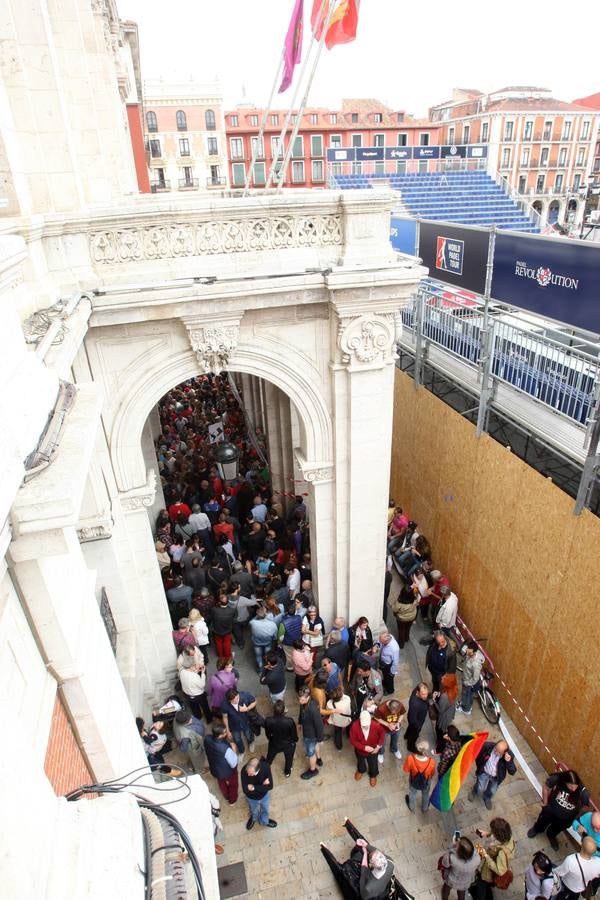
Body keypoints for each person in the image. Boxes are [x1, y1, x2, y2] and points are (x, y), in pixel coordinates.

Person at [320, 818, 397, 900]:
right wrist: (367, 846)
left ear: (371, 865)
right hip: (381, 886)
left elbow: (363, 874)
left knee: (346, 876)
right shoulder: (390, 863)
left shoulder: (368, 888)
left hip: (367, 892)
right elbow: (375, 852)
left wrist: (364, 855)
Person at [527, 769, 590, 852]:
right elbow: (546, 787)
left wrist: (575, 817)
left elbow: (585, 807)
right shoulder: (558, 778)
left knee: (556, 829)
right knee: (542, 822)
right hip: (550, 810)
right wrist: (545, 803)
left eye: (575, 786)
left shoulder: (583, 792)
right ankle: (537, 829)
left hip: (565, 819)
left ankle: (551, 835)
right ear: (565, 781)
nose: (573, 789)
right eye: (570, 786)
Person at [470, 739, 517, 810]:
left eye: (499, 752)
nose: (496, 753)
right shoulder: (487, 746)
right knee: (480, 787)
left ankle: (487, 798)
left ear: (504, 752)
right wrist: (479, 768)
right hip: (484, 772)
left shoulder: (509, 756)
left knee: (492, 790)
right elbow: (477, 756)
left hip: (496, 777)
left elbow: (512, 772)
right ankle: (474, 791)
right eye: (496, 749)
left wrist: (509, 762)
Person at [204, 722, 239, 805]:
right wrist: (234, 748)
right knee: (233, 785)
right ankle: (232, 800)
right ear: (220, 735)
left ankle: (226, 797)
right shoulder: (225, 749)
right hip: (228, 771)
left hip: (215, 768)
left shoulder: (207, 738)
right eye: (225, 732)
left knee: (221, 783)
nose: (227, 732)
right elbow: (234, 763)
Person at [349, 710, 386, 787]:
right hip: (360, 750)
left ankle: (373, 775)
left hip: (373, 751)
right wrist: (364, 747)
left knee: (373, 763)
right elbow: (353, 741)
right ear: (360, 719)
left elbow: (382, 734)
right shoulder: (354, 726)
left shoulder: (376, 725)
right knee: (360, 761)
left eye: (367, 725)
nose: (365, 727)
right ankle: (361, 770)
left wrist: (378, 746)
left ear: (370, 720)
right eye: (363, 725)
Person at [240, 756, 277, 830]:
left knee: (265, 809)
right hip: (251, 798)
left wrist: (254, 787)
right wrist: (263, 785)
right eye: (248, 772)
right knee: (253, 810)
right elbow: (245, 790)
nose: (248, 775)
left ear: (258, 770)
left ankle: (264, 821)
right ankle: (253, 818)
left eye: (251, 773)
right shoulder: (244, 771)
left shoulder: (266, 767)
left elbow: (270, 786)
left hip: (264, 796)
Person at [440, 835, 480, 900]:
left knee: (446, 889)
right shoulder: (477, 859)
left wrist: (452, 846)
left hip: (452, 879)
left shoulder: (452, 858)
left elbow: (445, 863)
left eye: (457, 846)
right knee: (461, 894)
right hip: (465, 880)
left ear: (460, 852)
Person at [265, 700, 298, 777]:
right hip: (288, 745)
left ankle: (265, 769)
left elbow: (268, 734)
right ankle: (287, 772)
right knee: (289, 759)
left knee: (269, 758)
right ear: (284, 710)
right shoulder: (289, 721)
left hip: (274, 744)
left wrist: (271, 739)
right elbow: (293, 734)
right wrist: (295, 740)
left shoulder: (268, 720)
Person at [298, 684, 324, 780]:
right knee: (315, 745)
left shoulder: (313, 709)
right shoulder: (304, 702)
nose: (300, 702)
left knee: (310, 753)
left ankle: (313, 770)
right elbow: (301, 712)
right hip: (311, 733)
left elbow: (319, 725)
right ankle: (319, 758)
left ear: (308, 697)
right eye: (299, 699)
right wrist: (300, 722)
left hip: (310, 735)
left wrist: (320, 738)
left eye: (303, 700)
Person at [220, 688, 257, 755]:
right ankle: (241, 751)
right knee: (237, 739)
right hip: (234, 725)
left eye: (237, 698)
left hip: (246, 722)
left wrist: (247, 708)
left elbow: (254, 701)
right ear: (229, 700)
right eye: (234, 701)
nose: (237, 701)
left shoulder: (244, 695)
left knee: (249, 735)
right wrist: (227, 731)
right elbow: (225, 717)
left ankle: (251, 742)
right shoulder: (224, 705)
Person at [403, 738, 435, 812]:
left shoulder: (410, 758)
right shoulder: (431, 762)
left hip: (413, 779)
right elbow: (432, 774)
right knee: (425, 795)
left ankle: (411, 807)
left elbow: (406, 770)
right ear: (426, 752)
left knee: (412, 794)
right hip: (426, 781)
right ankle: (425, 808)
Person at [179, 656, 213, 723]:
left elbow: (188, 676)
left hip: (188, 694)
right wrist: (202, 673)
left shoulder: (181, 671)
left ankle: (198, 717)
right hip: (198, 695)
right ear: (191, 666)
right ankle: (209, 719)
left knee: (194, 708)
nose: (196, 665)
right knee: (205, 707)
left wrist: (195, 671)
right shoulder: (194, 676)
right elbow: (202, 685)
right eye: (195, 664)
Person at [456, 641, 485, 715]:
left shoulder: (475, 664)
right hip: (467, 678)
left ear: (474, 651)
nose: (467, 650)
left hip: (468, 682)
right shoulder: (472, 652)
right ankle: (467, 705)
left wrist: (467, 683)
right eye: (467, 648)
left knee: (466, 695)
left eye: (469, 650)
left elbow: (475, 678)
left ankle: (465, 709)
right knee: (469, 695)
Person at [172, 709, 205, 774]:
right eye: (189, 719)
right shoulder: (185, 734)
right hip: (193, 748)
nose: (191, 719)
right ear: (184, 723)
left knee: (193, 758)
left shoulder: (176, 718)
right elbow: (184, 748)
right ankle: (199, 770)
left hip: (188, 739)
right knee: (197, 759)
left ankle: (191, 762)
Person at [373, 698, 405, 763]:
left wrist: (398, 722)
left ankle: (394, 749)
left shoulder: (399, 705)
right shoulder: (381, 708)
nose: (395, 714)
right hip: (383, 729)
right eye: (394, 712)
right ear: (389, 708)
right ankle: (381, 753)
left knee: (395, 740)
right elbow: (376, 718)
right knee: (382, 742)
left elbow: (402, 714)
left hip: (396, 728)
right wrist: (388, 725)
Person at [249, 606, 278, 672]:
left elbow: (251, 620)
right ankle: (268, 666)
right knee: (267, 655)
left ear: (257, 615)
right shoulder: (272, 624)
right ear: (266, 615)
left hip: (257, 643)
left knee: (258, 656)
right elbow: (275, 637)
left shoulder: (253, 623)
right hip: (268, 643)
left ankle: (260, 669)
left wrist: (258, 615)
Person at [435, 673, 458, 753]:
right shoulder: (454, 689)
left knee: (440, 734)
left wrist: (433, 701)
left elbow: (440, 710)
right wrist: (439, 694)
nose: (442, 678)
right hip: (450, 714)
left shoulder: (444, 697)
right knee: (443, 733)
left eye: (444, 679)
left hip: (444, 718)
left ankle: (439, 750)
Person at [404, 682, 431, 752]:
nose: (425, 696)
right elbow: (413, 719)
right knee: (414, 735)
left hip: (413, 719)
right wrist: (418, 726)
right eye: (423, 694)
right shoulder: (415, 704)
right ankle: (410, 746)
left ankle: (406, 735)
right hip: (416, 722)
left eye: (426, 693)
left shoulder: (418, 691)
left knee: (410, 728)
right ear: (418, 692)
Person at [326, 685, 353, 751]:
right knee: (348, 727)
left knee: (338, 733)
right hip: (346, 720)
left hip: (337, 722)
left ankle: (339, 747)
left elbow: (327, 710)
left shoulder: (330, 704)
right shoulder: (347, 699)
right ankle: (349, 736)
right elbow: (344, 696)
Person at [210, 593, 236, 659]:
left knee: (218, 643)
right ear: (228, 602)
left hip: (217, 630)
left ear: (219, 602)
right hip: (227, 630)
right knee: (227, 643)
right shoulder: (232, 610)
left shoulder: (214, 610)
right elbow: (233, 619)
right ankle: (227, 656)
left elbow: (212, 617)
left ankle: (220, 655)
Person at [279, 605, 302, 671]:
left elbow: (281, 636)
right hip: (297, 640)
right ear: (295, 612)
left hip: (287, 642)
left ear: (287, 612)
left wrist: (279, 643)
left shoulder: (283, 623)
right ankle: (298, 664)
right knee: (296, 653)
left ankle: (290, 668)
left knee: (289, 656)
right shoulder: (299, 617)